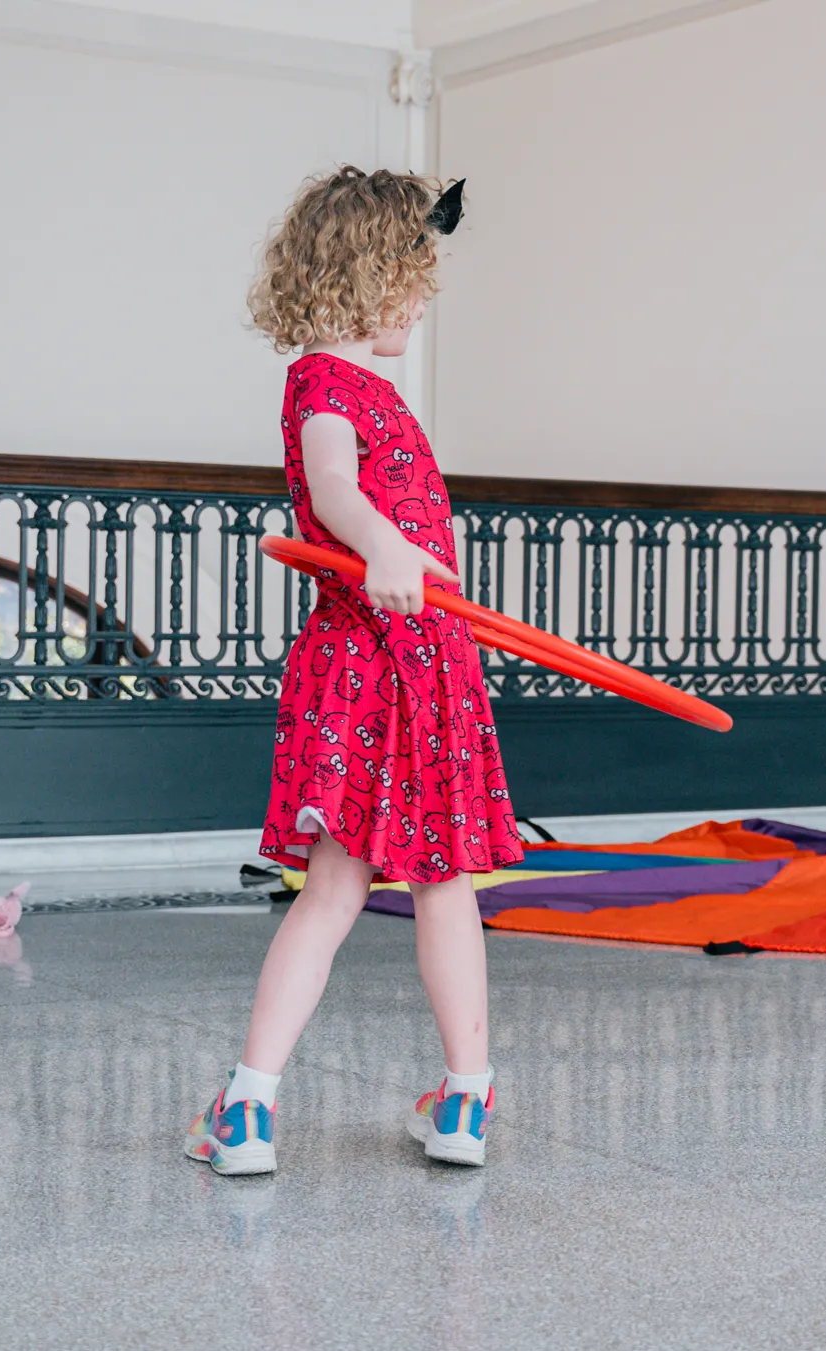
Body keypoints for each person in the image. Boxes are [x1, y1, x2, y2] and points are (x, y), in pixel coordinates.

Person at [185, 167, 522, 1174]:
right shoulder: (324, 385)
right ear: (371, 275)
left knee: (390, 888)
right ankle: (452, 1103)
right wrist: (377, 542)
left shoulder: (369, 390)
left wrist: (387, 552)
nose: (422, 306)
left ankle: (267, 1107)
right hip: (375, 666)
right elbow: (330, 482)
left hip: (415, 664)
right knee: (411, 887)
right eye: (414, 280)